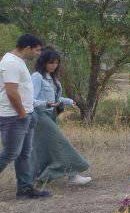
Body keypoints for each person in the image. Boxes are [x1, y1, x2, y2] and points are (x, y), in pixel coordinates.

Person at [30, 48, 91, 186]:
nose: (54, 65)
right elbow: (30, 100)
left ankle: (39, 178)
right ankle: (73, 175)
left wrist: (69, 101)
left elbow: (56, 98)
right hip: (40, 116)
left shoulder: (53, 78)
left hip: (50, 115)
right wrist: (46, 103)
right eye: (51, 62)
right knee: (62, 143)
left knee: (45, 149)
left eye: (56, 62)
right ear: (43, 62)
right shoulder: (37, 77)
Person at [0, 33, 48, 199]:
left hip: (25, 114)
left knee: (24, 154)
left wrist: (28, 112)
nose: (38, 54)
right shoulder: (11, 63)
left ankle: (25, 189)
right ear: (27, 48)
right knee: (10, 154)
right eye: (37, 50)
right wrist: (22, 113)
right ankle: (25, 188)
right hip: (14, 116)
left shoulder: (19, 62)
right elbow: (11, 91)